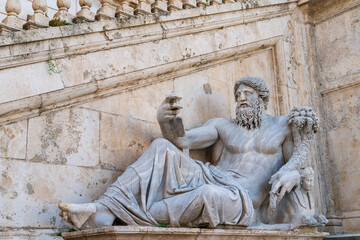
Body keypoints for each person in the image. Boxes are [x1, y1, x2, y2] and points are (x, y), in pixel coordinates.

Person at [59, 77, 318, 229]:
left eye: (248, 94)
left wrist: (292, 175)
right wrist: (164, 120)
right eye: (238, 94)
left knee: (208, 195)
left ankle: (130, 216)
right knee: (163, 147)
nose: (241, 98)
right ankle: (104, 208)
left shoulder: (282, 126)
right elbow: (182, 140)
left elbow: (296, 162)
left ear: (262, 99)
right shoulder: (222, 125)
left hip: (241, 197)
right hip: (210, 176)